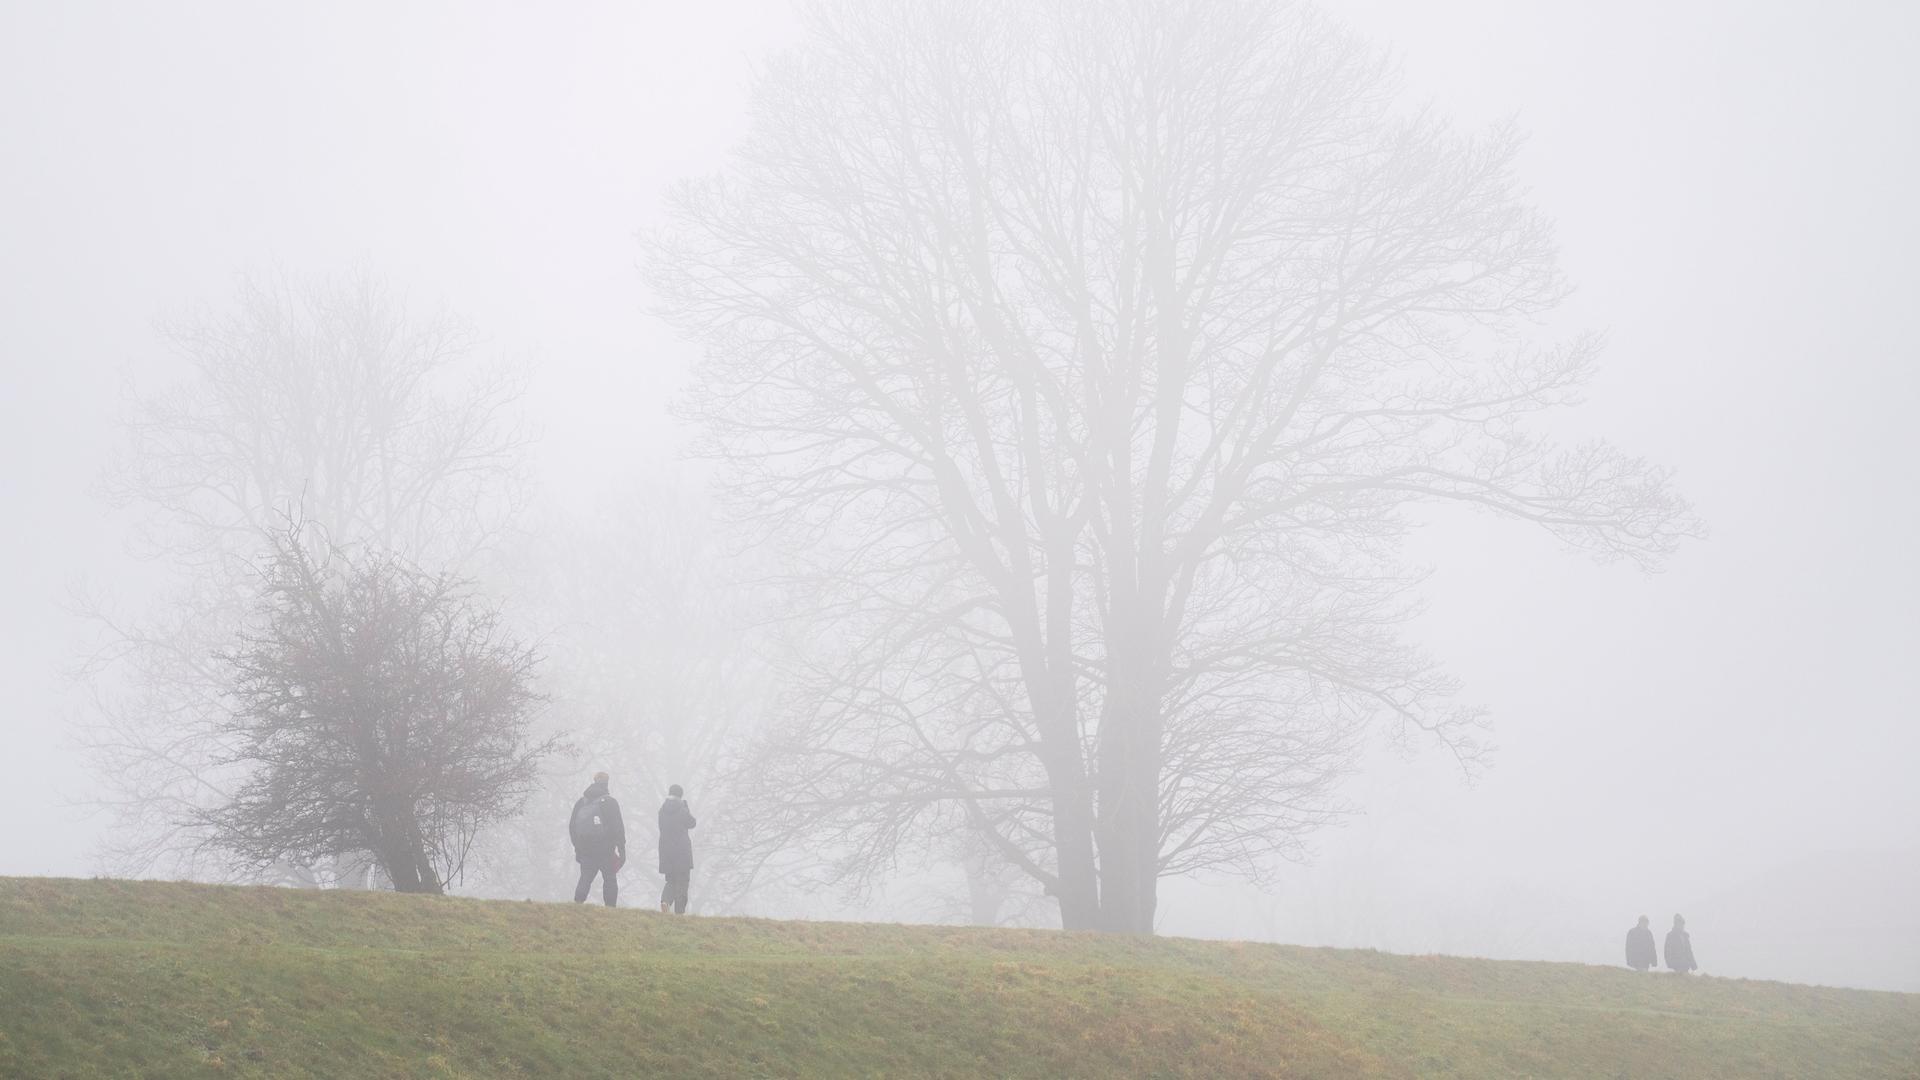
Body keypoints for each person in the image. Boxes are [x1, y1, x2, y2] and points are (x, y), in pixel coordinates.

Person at [569, 771, 626, 907]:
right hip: (606, 849)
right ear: (607, 783)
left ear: (594, 781)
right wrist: (621, 849)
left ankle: (577, 905)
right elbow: (618, 827)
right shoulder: (610, 802)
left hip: (585, 849)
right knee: (610, 878)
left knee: (585, 878)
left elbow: (572, 827)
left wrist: (578, 848)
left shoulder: (581, 803)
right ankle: (610, 909)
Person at [658, 783, 697, 914]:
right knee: (682, 881)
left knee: (670, 880)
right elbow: (692, 823)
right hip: (681, 852)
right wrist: (686, 807)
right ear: (681, 796)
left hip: (666, 851)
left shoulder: (662, 810)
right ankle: (679, 913)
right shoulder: (682, 810)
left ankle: (665, 901)